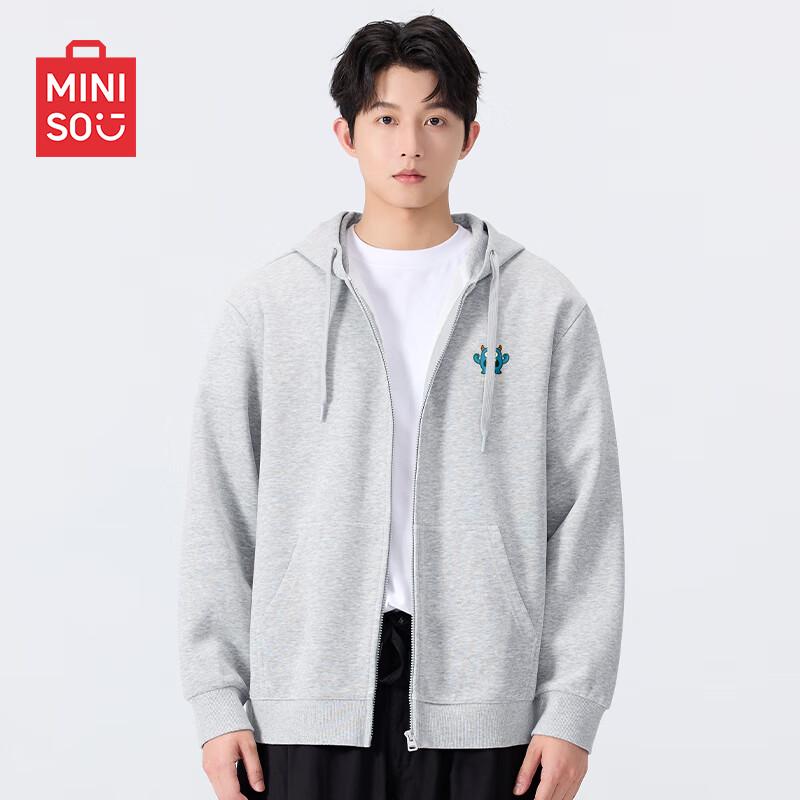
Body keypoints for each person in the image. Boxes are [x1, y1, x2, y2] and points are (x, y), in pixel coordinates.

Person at [177, 14, 625, 800]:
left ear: (470, 136)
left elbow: (586, 517)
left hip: (490, 707)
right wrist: (218, 703)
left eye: (435, 119)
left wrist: (571, 711)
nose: (410, 145)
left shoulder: (544, 308)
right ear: (346, 134)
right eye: (386, 119)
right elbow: (221, 509)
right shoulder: (269, 308)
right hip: (308, 702)